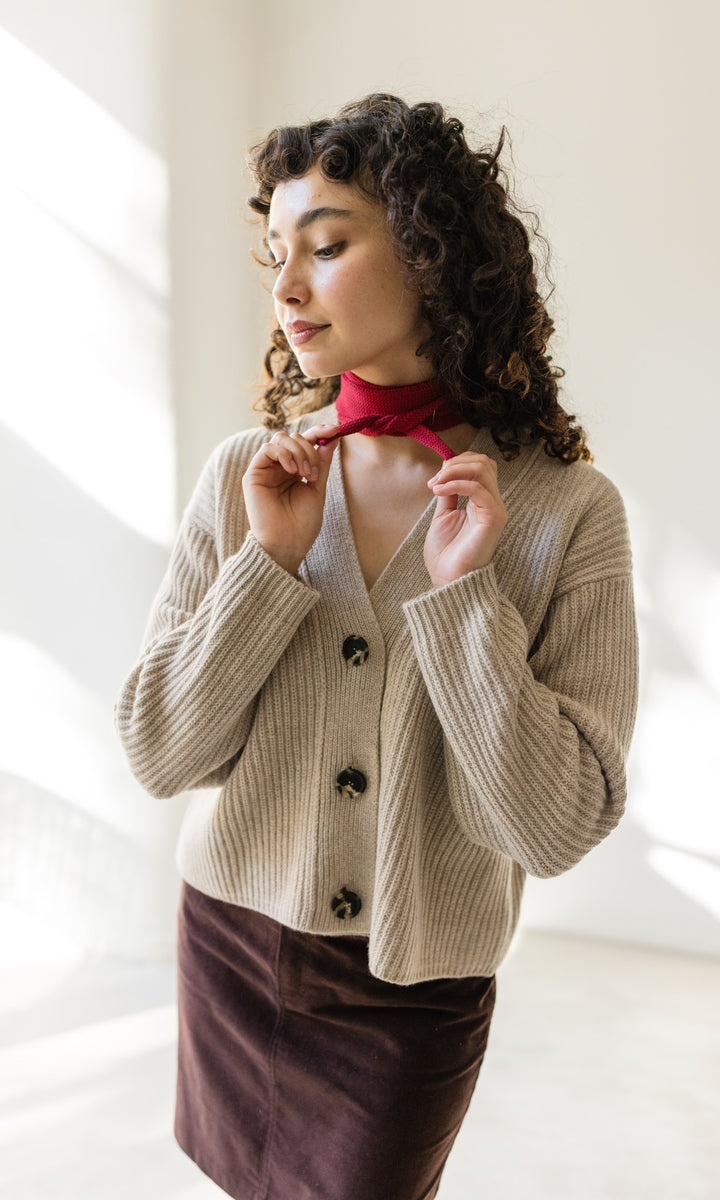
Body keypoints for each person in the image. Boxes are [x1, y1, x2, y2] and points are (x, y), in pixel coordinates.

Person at [115, 94, 639, 1200]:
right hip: (233, 944)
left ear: (433, 251)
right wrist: (267, 568)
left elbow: (550, 828)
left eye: (329, 244)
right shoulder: (248, 477)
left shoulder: (566, 513)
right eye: (275, 257)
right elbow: (161, 751)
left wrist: (464, 604)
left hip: (414, 991)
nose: (288, 287)